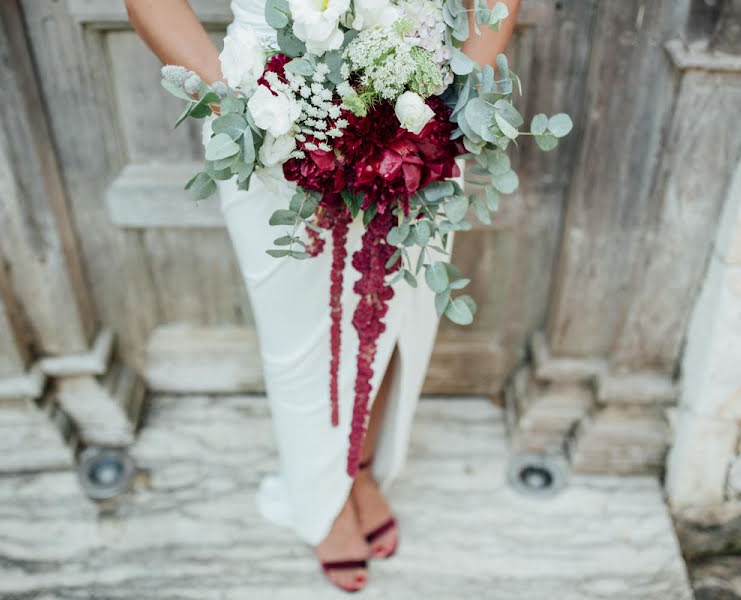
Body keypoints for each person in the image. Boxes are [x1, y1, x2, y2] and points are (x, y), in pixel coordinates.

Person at [125, 0, 519, 592]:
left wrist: (452, 108)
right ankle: (322, 499)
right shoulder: (257, 113)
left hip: (420, 98)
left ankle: (356, 472)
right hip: (269, 112)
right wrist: (243, 109)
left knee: (392, 307)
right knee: (295, 338)